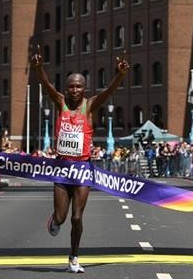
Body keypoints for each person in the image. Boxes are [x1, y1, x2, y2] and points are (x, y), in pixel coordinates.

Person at [30, 44, 129, 273]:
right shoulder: (60, 102)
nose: (74, 90)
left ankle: (73, 257)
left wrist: (120, 75)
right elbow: (46, 84)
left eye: (79, 86)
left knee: (76, 218)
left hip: (83, 169)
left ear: (84, 89)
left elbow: (108, 91)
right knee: (62, 218)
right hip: (61, 169)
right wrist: (39, 68)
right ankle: (54, 220)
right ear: (66, 88)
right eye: (71, 86)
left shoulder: (89, 105)